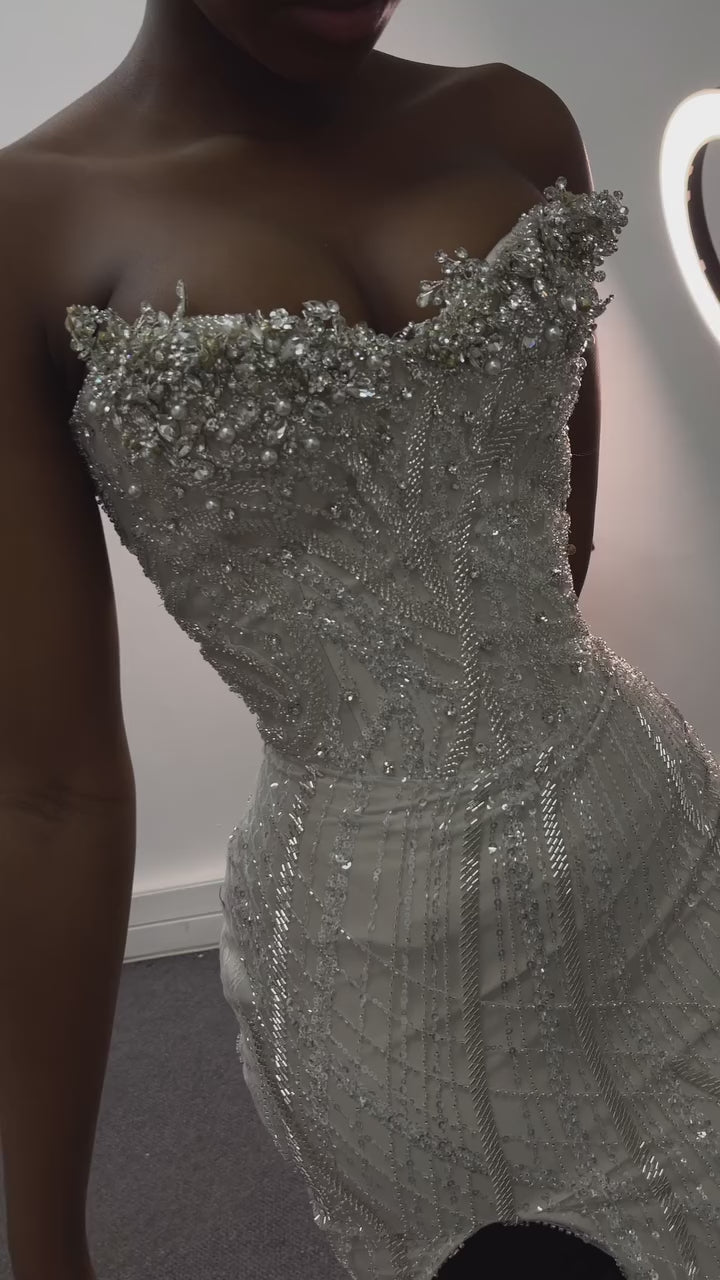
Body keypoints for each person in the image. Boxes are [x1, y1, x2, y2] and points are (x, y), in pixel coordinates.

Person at [0, 1, 717, 1278]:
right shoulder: (27, 225)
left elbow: (555, 546)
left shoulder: (513, 118)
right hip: (387, 977)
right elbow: (50, 792)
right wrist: (47, 1242)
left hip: (662, 858)